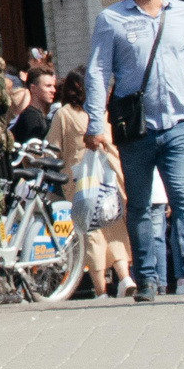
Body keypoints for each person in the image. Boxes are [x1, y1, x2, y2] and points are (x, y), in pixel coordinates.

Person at [83, 0, 184, 300]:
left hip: (178, 125)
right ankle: (148, 280)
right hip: (135, 129)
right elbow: (98, 72)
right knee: (140, 205)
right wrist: (96, 121)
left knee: (183, 198)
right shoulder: (111, 19)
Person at [48, 71, 131, 299]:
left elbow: (52, 148)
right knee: (113, 226)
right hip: (107, 178)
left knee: (91, 234)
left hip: (80, 181)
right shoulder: (101, 113)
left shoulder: (64, 114)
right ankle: (124, 278)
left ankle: (100, 290)